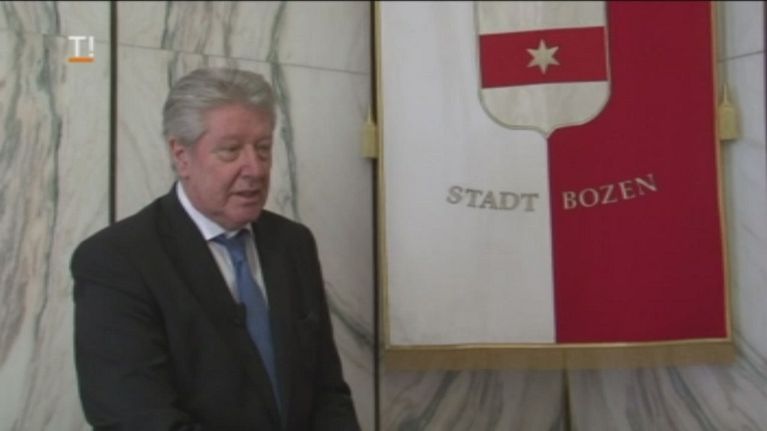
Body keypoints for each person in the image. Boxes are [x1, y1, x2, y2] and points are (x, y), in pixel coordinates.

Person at [70, 67, 360, 431]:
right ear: (181, 156)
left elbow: (327, 392)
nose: (255, 169)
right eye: (231, 151)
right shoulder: (117, 260)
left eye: (263, 149)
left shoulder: (293, 244)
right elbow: (136, 419)